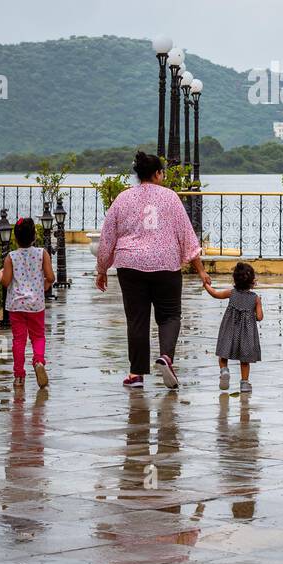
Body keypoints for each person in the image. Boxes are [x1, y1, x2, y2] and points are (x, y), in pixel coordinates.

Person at [96, 150, 212, 388]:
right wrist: (200, 270)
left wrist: (102, 268)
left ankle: (136, 374)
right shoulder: (170, 198)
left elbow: (107, 236)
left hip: (130, 265)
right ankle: (166, 357)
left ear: (138, 174)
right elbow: (187, 237)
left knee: (137, 319)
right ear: (158, 174)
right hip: (165, 264)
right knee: (170, 315)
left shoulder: (123, 199)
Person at [0, 216, 53, 389]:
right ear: (34, 237)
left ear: (15, 238)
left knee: (18, 341)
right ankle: (38, 361)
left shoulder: (11, 257)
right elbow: (51, 277)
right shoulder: (42, 253)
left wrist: (1, 274)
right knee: (38, 336)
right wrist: (43, 286)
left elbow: (6, 282)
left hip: (16, 306)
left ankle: (19, 376)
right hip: (36, 305)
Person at [206, 261, 263, 393]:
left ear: (235, 279)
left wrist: (206, 285)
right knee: (244, 360)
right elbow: (259, 317)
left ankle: (224, 371)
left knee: (223, 354)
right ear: (252, 281)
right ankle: (244, 383)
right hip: (246, 334)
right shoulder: (255, 298)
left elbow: (215, 293)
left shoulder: (231, 293)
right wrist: (255, 310)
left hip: (229, 330)